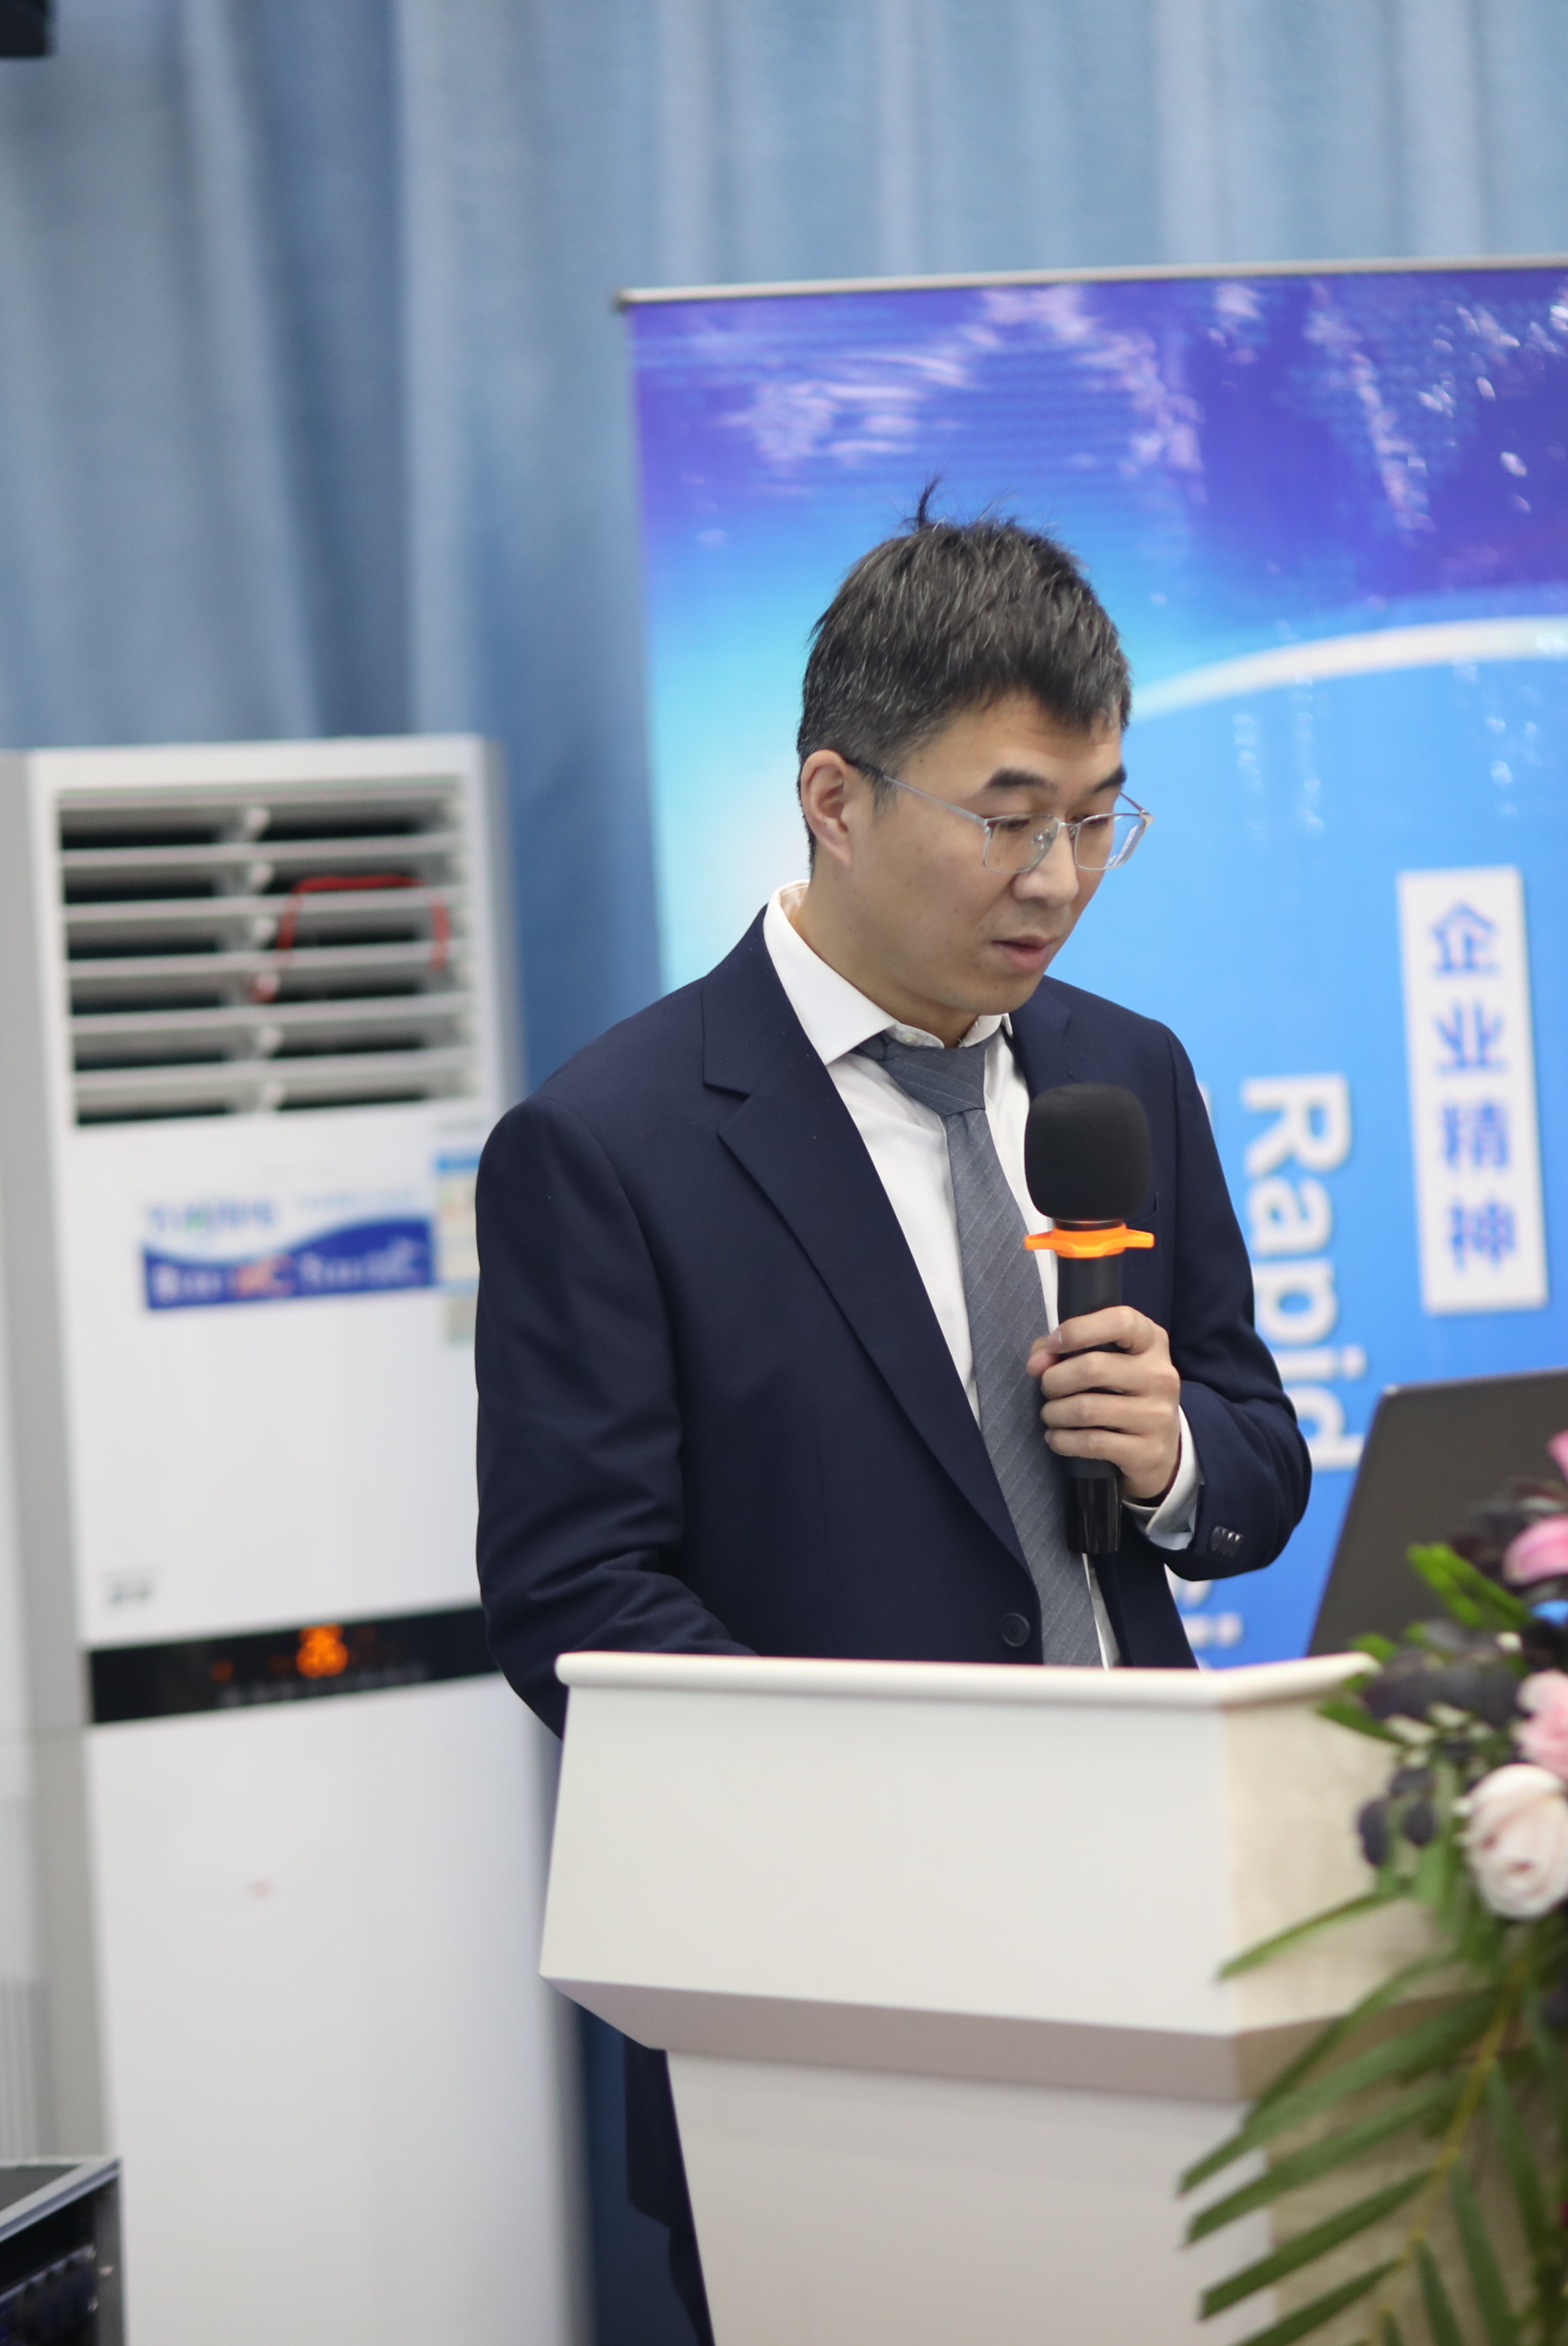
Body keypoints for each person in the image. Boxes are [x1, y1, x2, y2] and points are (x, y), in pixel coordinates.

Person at [473, 503, 1311, 2340]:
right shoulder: (611, 1147)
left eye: (1098, 817)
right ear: (835, 800)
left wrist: (1174, 1455)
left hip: (1166, 1948)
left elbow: (1259, 1449)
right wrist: (895, 1816)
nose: (1059, 878)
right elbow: (574, 1598)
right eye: (1008, 817)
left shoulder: (1126, 1075)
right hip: (827, 2013)